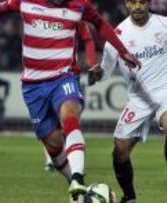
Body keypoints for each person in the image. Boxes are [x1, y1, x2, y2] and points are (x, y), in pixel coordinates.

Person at [0, 0, 140, 201]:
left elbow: (100, 26)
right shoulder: (25, 2)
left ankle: (77, 176)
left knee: (70, 116)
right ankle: (75, 185)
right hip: (33, 85)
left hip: (63, 77)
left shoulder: (80, 5)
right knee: (52, 143)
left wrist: (123, 52)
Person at [89, 0, 167, 202]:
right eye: (133, 2)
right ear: (126, 4)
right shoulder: (118, 35)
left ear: (148, 3)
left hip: (165, 90)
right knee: (119, 151)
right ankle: (130, 196)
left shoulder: (164, 24)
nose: (138, 7)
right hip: (138, 99)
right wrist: (98, 73)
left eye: (142, 2)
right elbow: (106, 73)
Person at [44, 21, 97, 172]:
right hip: (44, 76)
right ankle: (53, 159)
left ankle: (72, 159)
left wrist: (92, 64)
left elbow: (88, 39)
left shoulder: (74, 15)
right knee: (50, 121)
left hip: (69, 75)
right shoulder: (40, 15)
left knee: (69, 119)